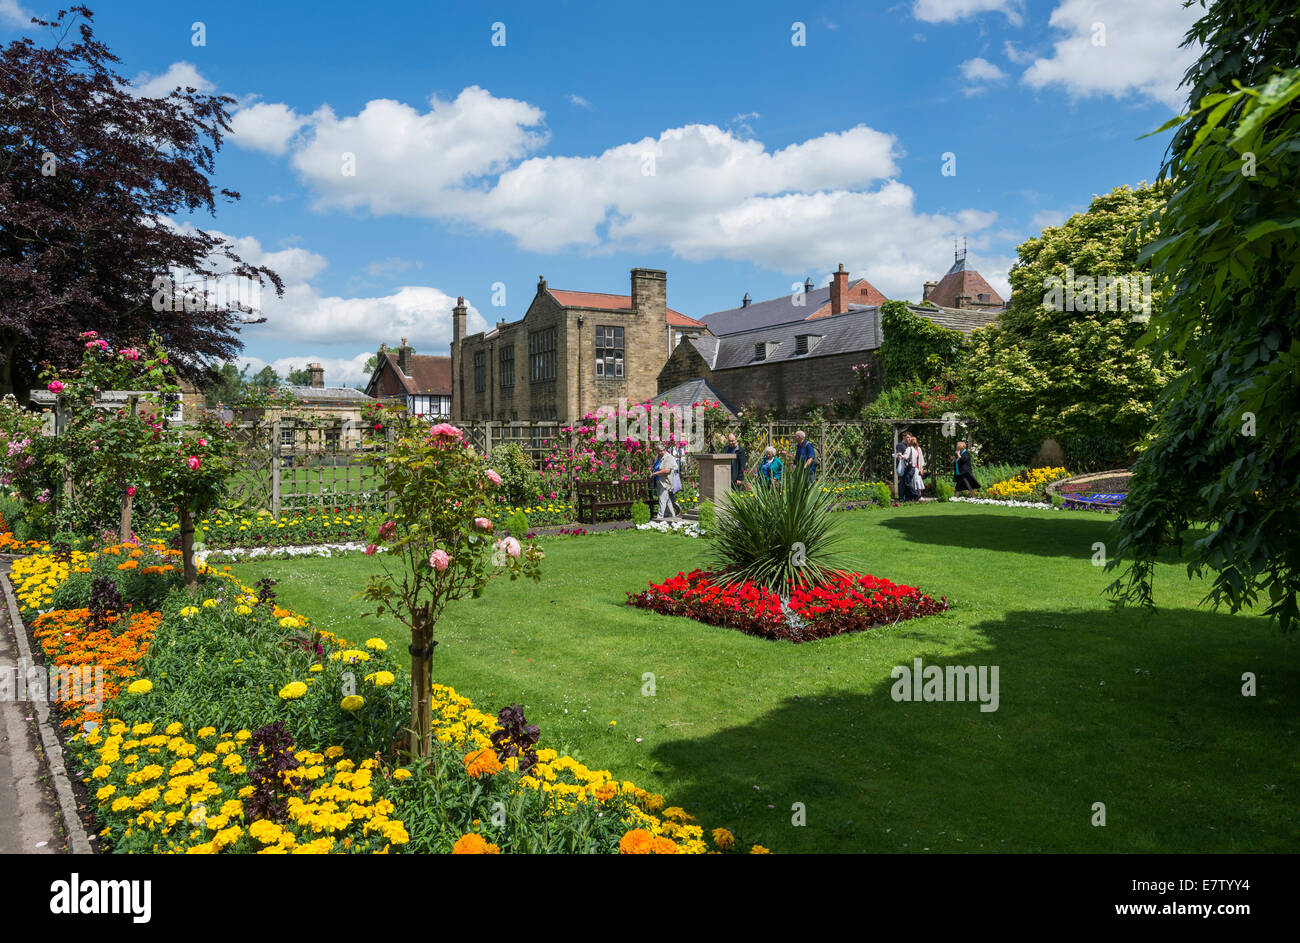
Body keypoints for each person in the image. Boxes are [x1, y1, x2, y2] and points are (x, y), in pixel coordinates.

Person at [650, 442, 682, 519]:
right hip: (658, 481)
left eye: (662, 450)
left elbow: (667, 470)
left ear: (664, 449)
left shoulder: (668, 457)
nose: (660, 452)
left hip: (665, 482)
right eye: (658, 450)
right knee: (666, 499)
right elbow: (656, 467)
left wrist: (655, 473)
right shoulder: (658, 457)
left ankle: (659, 517)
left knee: (662, 499)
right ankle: (672, 515)